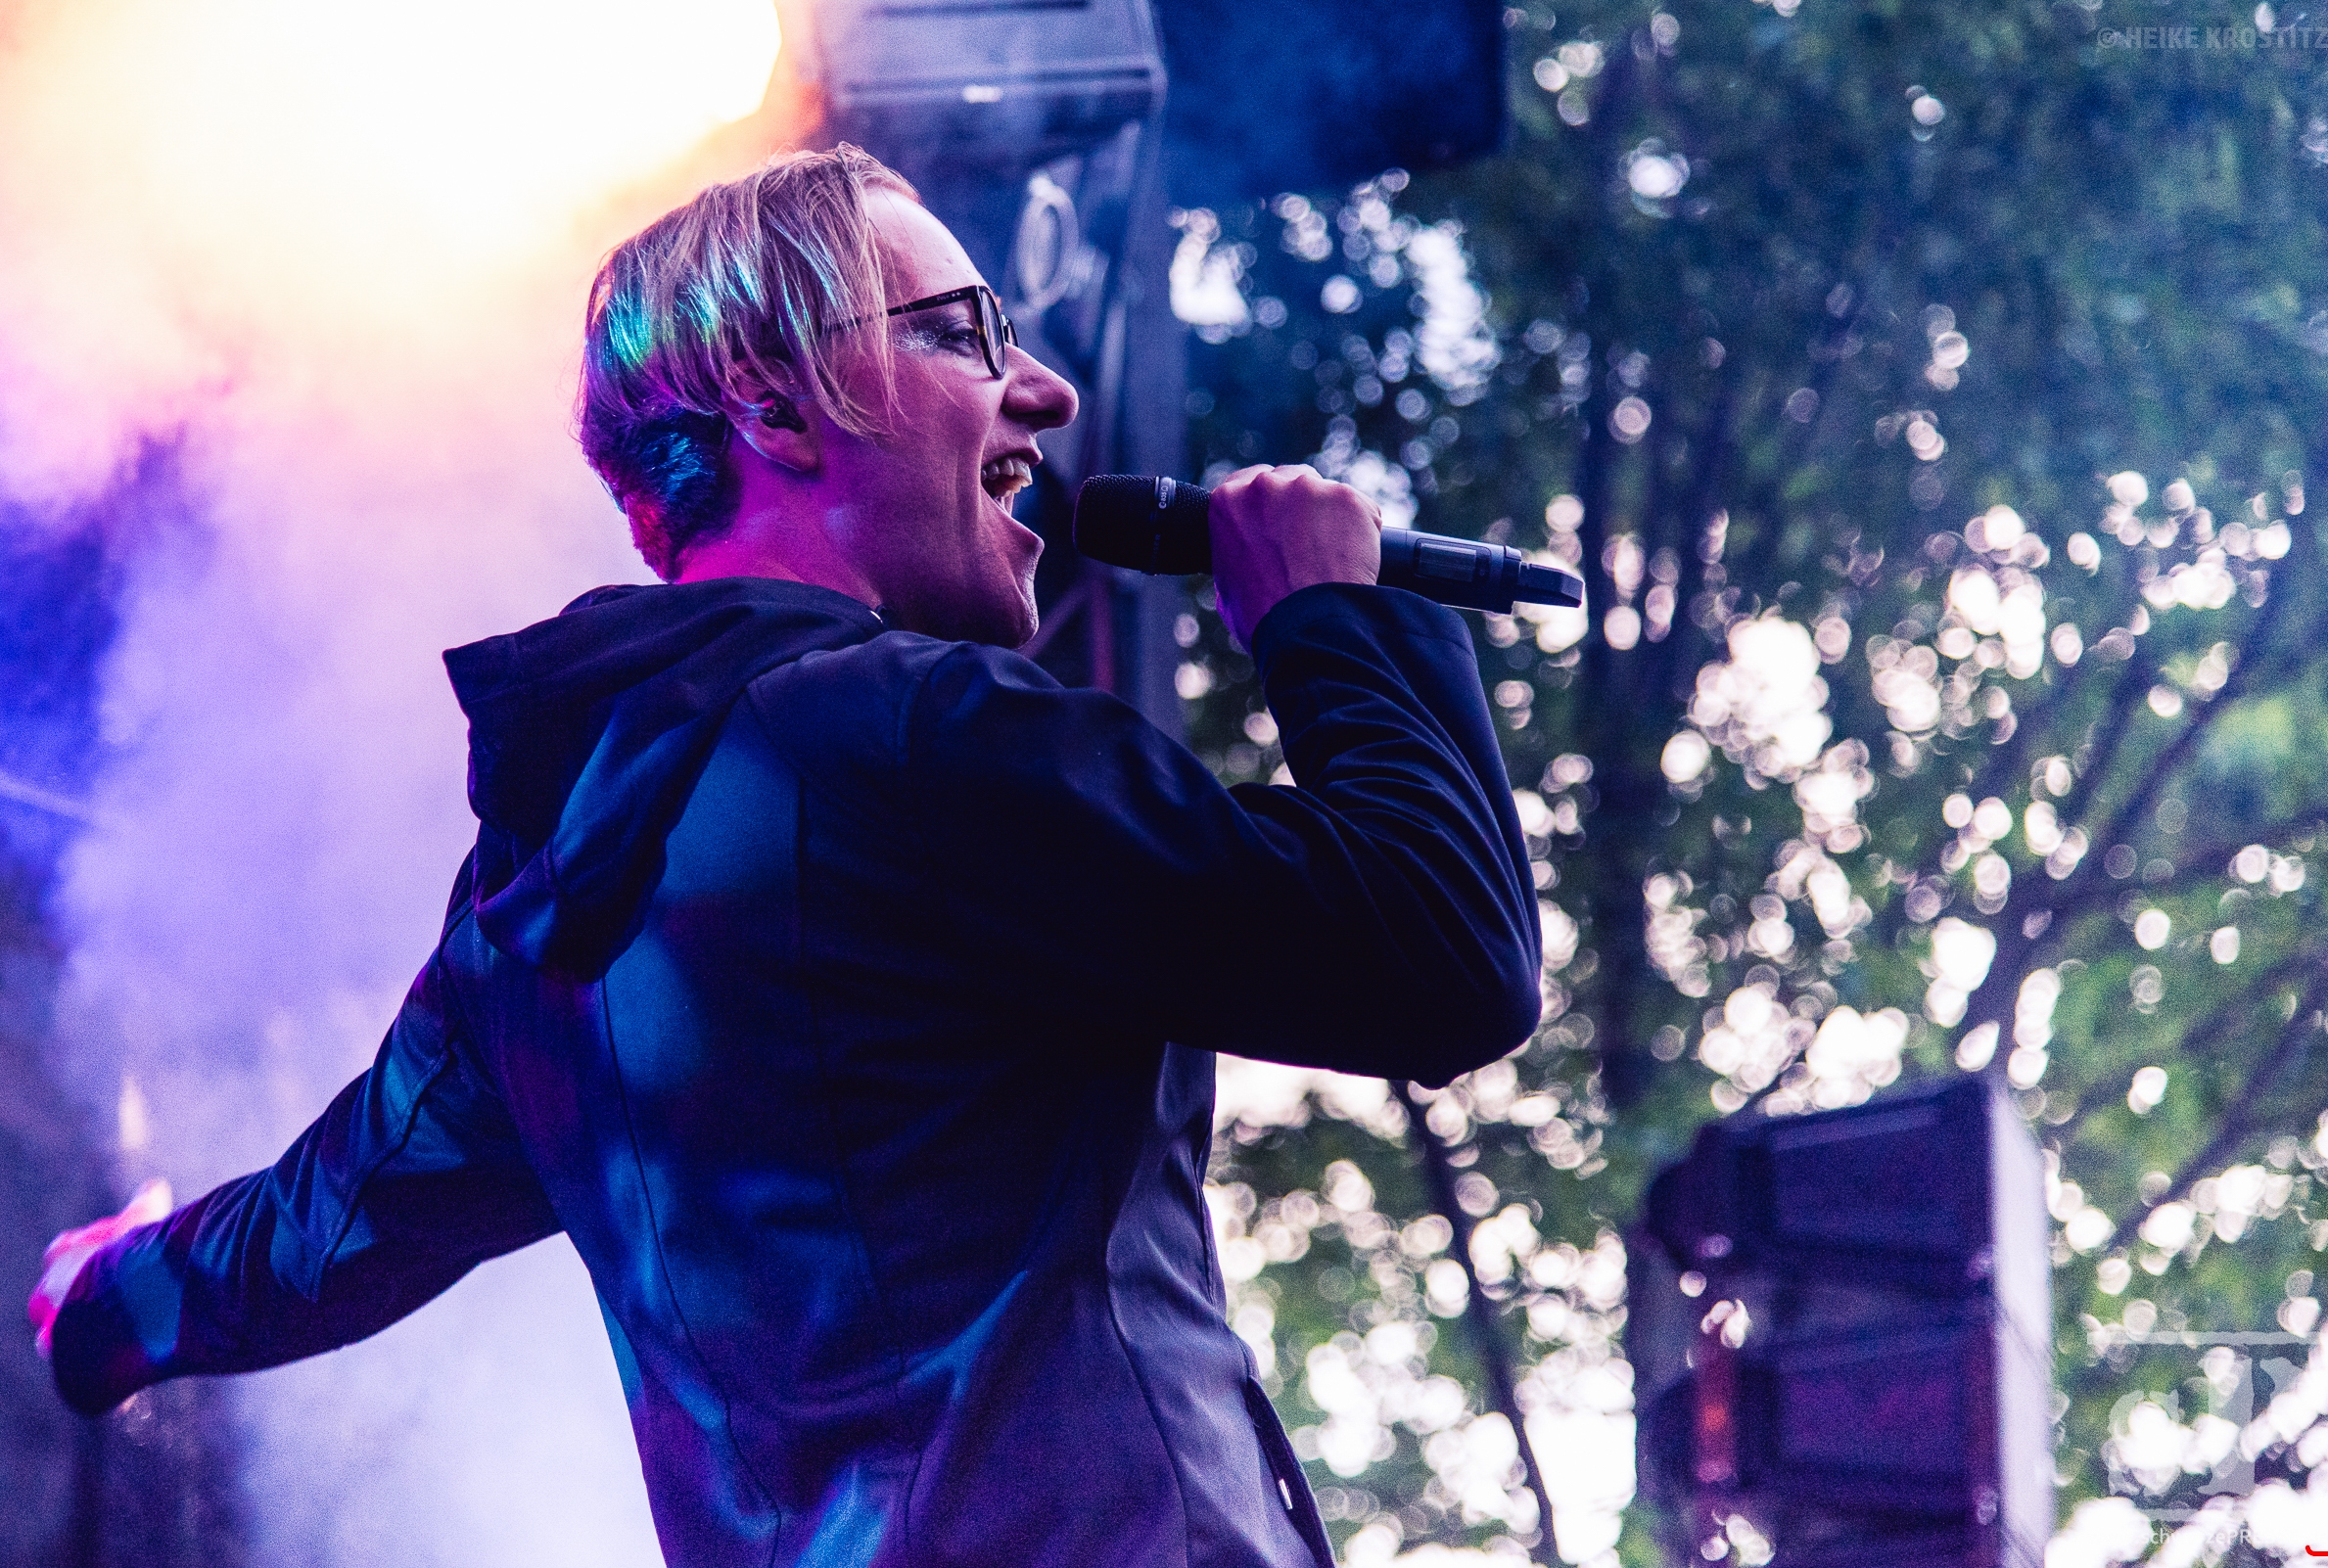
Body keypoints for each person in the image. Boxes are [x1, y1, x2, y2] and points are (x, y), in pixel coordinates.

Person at [30, 145, 1542, 1568]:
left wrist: (107, 1295)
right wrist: (1335, 617)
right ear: (780, 410)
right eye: (965, 332)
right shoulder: (918, 735)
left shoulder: (532, 895)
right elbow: (1441, 957)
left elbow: (326, 1231)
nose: (1045, 389)